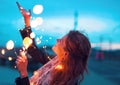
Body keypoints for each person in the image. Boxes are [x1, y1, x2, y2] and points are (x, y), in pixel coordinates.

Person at [15, 3, 91, 85]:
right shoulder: (55, 63)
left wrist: (23, 73)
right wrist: (27, 19)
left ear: (66, 54)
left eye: (61, 41)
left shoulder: (66, 82)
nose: (57, 40)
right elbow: (32, 50)